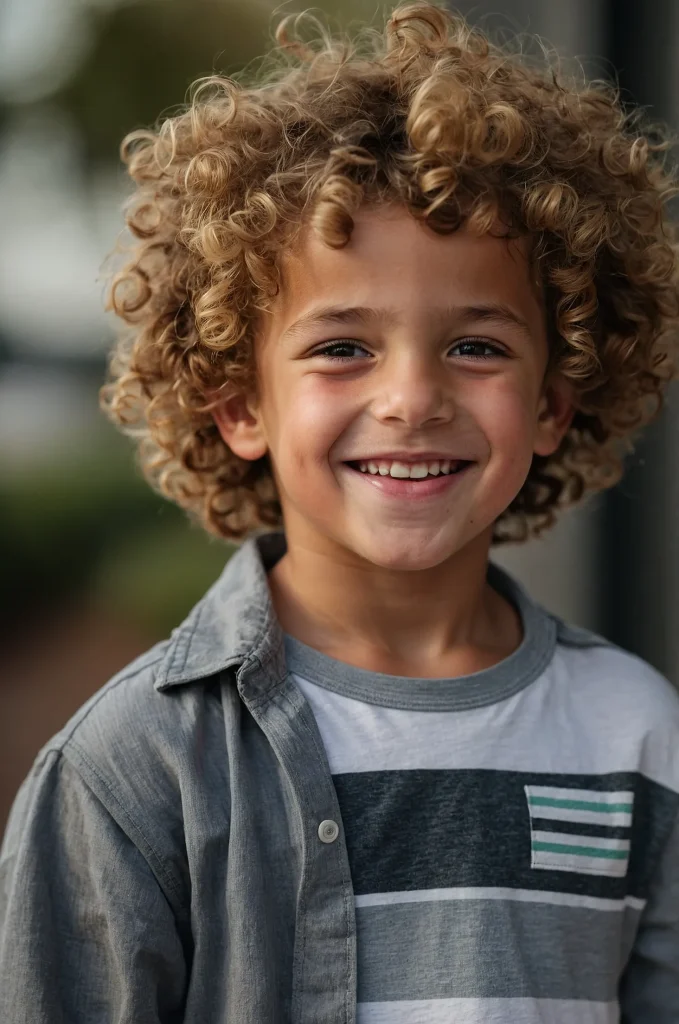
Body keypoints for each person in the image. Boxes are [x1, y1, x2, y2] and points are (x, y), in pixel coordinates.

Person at [2, 2, 679, 1020]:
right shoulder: (132, 767)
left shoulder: (635, 733)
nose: (411, 397)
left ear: (551, 404)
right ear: (239, 404)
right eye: (342, 347)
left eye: (477, 346)